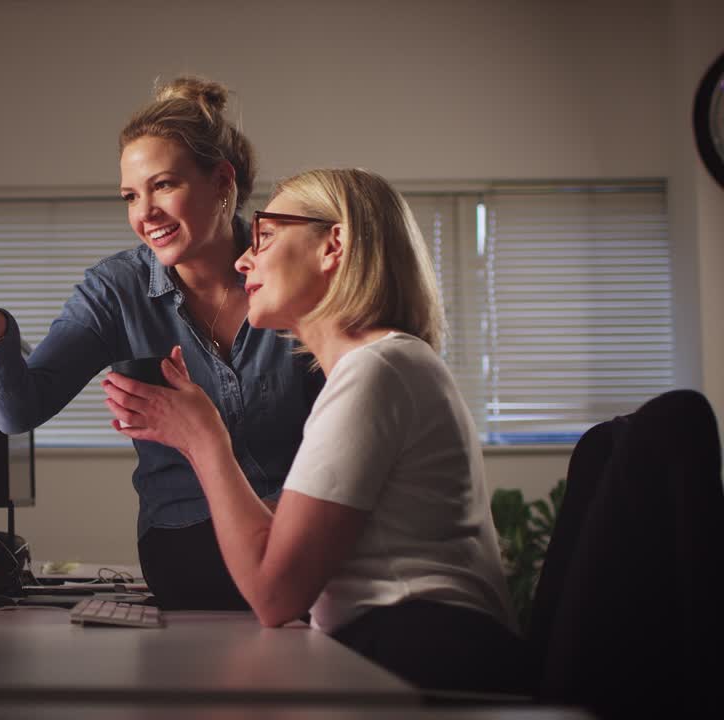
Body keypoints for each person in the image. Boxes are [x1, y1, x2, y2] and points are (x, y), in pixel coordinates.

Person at [101, 168, 529, 693]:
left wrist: (203, 439)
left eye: (266, 237)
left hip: (424, 663)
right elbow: (283, 545)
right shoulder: (379, 367)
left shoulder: (377, 370)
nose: (242, 259)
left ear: (335, 245)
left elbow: (274, 595)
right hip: (411, 654)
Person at [0, 77, 323, 610]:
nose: (143, 213)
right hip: (187, 538)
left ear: (221, 182)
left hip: (301, 522)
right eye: (130, 195)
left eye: (164, 185)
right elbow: (19, 411)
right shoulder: (115, 289)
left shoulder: (291, 270)